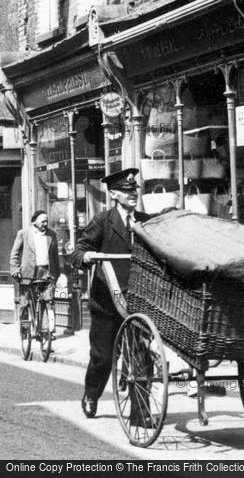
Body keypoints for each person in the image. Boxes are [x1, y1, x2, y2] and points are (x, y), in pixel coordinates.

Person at [72, 167, 151, 420]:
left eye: (134, 190)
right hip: (106, 301)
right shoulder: (103, 221)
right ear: (114, 194)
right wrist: (86, 256)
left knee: (139, 355)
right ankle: (91, 395)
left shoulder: (145, 220)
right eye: (127, 191)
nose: (132, 194)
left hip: (137, 300)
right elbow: (78, 250)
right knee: (103, 358)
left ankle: (140, 413)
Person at [10, 210, 60, 333]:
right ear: (34, 222)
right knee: (25, 303)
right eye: (43, 221)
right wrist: (15, 269)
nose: (45, 223)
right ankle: (25, 331)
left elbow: (55, 256)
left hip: (46, 274)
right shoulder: (24, 233)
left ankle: (45, 332)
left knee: (46, 302)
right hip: (28, 274)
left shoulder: (51, 235)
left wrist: (56, 274)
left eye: (47, 221)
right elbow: (15, 253)